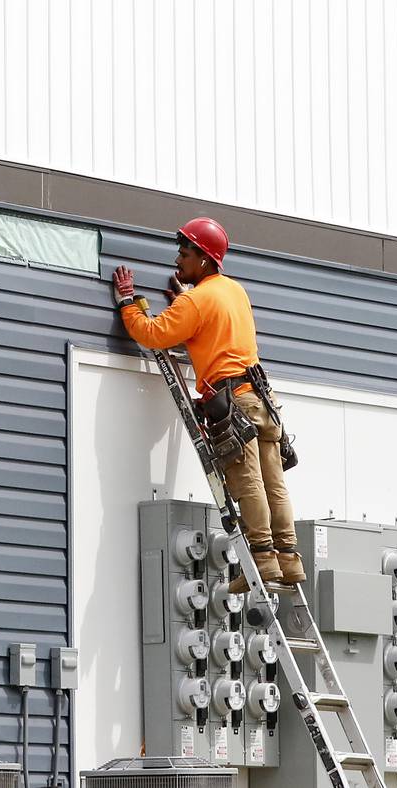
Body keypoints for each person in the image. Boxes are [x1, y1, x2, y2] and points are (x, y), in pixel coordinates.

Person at [111, 217, 302, 593]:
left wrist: (128, 303)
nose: (177, 260)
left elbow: (153, 334)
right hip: (262, 399)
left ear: (203, 259)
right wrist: (184, 300)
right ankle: (289, 561)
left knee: (249, 485)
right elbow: (208, 329)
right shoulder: (233, 291)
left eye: (184, 254)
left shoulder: (197, 300)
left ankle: (261, 564)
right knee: (274, 484)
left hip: (235, 404)